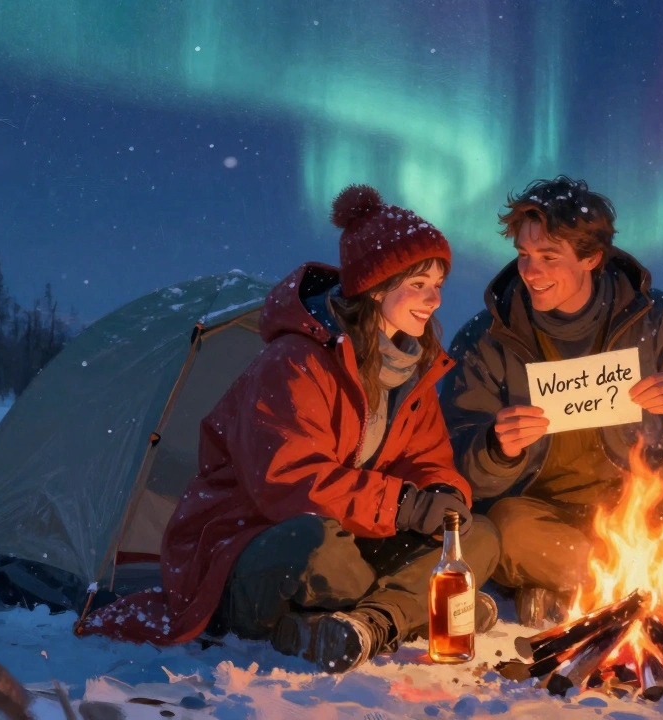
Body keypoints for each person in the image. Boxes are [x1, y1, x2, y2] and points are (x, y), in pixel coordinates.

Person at [81, 185, 500, 672]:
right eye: (419, 284)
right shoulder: (295, 361)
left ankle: (369, 622)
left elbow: (426, 460)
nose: (435, 299)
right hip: (251, 548)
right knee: (317, 547)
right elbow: (289, 482)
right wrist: (405, 505)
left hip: (355, 537)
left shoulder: (415, 368)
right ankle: (416, 609)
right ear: (378, 287)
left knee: (477, 535)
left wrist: (442, 495)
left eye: (439, 284)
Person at [441, 176, 663, 633]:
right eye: (524, 256)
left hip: (649, 501)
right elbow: (451, 454)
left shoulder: (655, 319)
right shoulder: (489, 337)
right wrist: (495, 447)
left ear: (592, 258)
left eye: (548, 257)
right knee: (507, 526)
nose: (530, 272)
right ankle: (638, 586)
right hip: (548, 517)